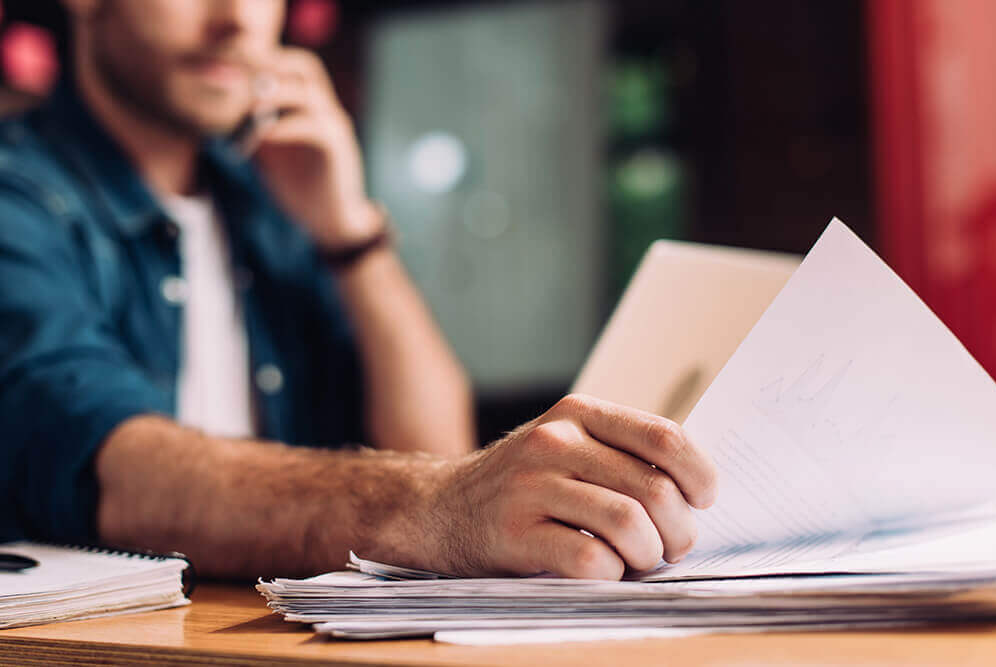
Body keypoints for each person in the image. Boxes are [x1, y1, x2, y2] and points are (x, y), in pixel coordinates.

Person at [0, 0, 717, 581]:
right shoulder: (18, 197)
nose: (238, 20)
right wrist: (439, 502)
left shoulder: (269, 199)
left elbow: (435, 444)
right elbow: (111, 471)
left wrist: (351, 234)